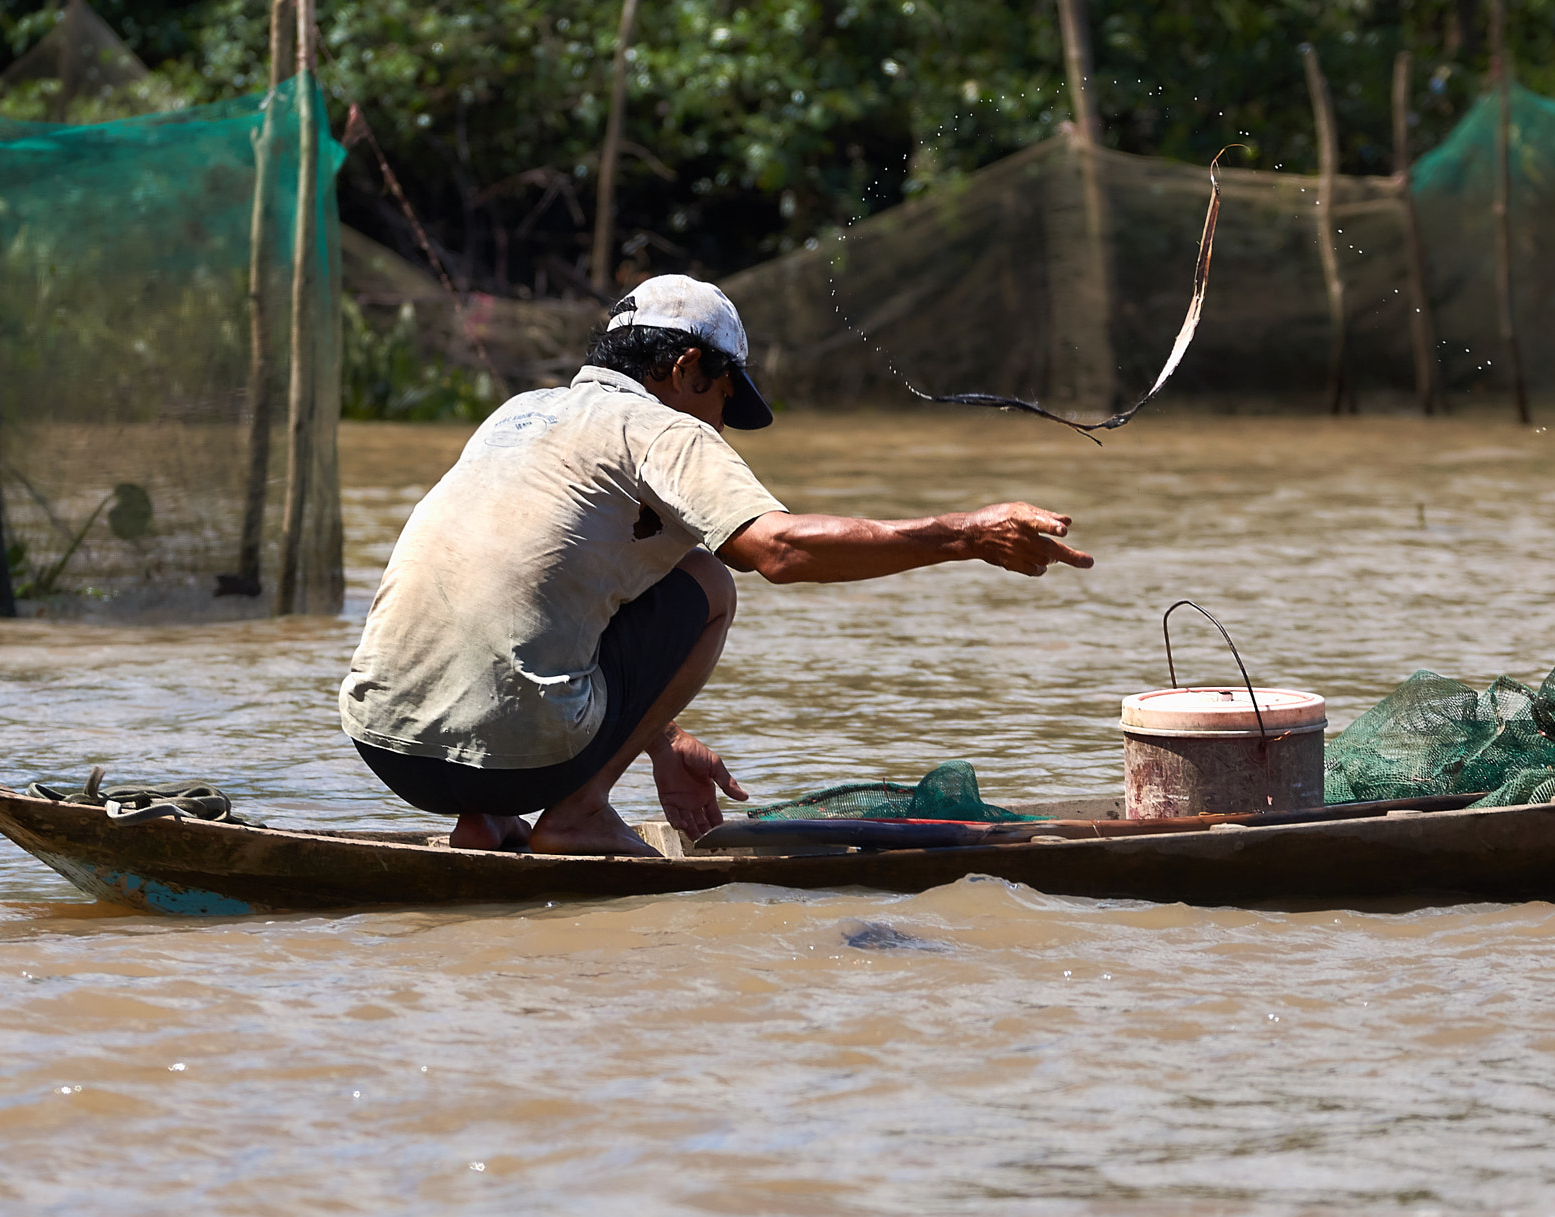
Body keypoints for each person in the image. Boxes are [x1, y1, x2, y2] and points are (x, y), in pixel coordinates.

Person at [340, 275, 1091, 857]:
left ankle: (489, 821)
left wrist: (660, 739)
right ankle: (576, 815)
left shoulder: (519, 412)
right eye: (726, 396)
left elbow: (520, 590)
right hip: (508, 754)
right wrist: (961, 534)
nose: (723, 422)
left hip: (384, 741)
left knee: (619, 576)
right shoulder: (660, 427)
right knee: (707, 582)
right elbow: (780, 550)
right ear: (688, 367)